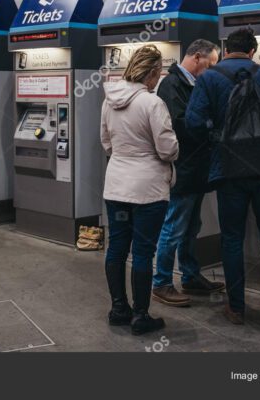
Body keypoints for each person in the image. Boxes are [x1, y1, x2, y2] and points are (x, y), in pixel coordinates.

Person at [186, 27, 260, 331]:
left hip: (229, 170)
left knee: (232, 240)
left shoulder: (209, 78)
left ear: (225, 49)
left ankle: (235, 308)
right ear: (252, 52)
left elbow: (193, 121)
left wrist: (218, 137)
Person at [100, 45, 179, 335]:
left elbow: (106, 142)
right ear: (153, 72)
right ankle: (141, 316)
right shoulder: (152, 103)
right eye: (159, 73)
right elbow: (168, 149)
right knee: (144, 251)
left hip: (116, 186)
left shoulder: (109, 101)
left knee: (117, 247)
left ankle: (119, 309)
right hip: (147, 190)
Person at [152, 39, 225, 307]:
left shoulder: (192, 84)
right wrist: (210, 125)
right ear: (196, 57)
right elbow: (181, 125)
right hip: (183, 170)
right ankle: (161, 282)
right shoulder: (172, 85)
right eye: (211, 64)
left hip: (195, 170)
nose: (213, 69)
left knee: (192, 227)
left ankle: (191, 276)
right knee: (173, 227)